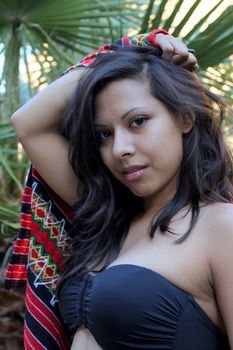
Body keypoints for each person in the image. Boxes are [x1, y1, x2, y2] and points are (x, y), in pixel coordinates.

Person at [11, 31, 232, 350]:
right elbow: (28, 122)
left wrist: (144, 58)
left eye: (138, 121)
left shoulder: (222, 227)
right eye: (104, 134)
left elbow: (29, 123)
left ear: (185, 117)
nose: (120, 149)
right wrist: (131, 51)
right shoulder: (108, 217)